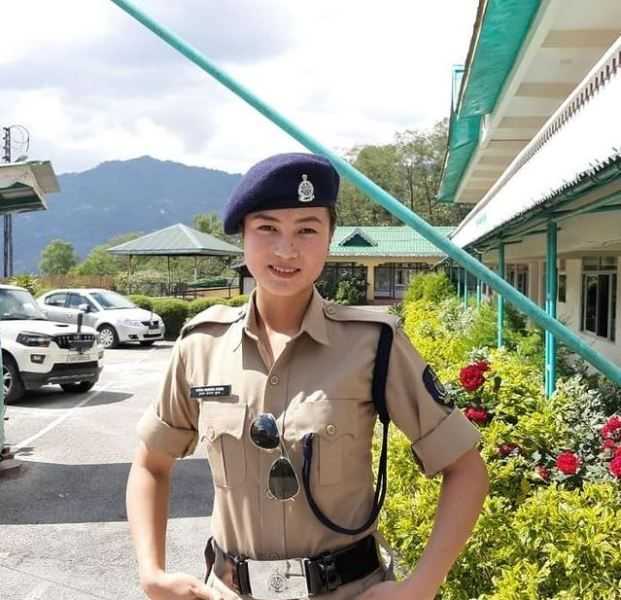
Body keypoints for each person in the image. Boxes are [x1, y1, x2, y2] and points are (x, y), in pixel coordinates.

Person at [126, 152, 489, 600]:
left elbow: (465, 468)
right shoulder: (201, 345)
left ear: (330, 239)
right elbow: (150, 464)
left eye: (306, 230)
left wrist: (421, 586)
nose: (286, 249)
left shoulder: (373, 343)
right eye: (267, 228)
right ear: (244, 237)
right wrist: (151, 571)